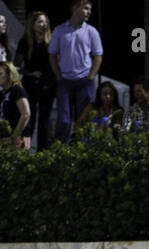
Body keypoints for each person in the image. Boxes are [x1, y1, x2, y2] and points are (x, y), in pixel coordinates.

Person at [50, 0, 103, 144]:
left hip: (84, 81)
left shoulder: (91, 31)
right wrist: (58, 75)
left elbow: (98, 56)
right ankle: (61, 150)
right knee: (64, 120)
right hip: (65, 82)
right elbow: (52, 54)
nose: (89, 12)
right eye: (85, 8)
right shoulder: (59, 30)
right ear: (75, 8)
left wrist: (91, 77)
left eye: (89, 9)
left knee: (84, 120)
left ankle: (83, 151)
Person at [15, 10, 56, 149]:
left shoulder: (51, 42)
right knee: (29, 119)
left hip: (48, 85)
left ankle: (42, 152)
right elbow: (17, 66)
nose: (43, 24)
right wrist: (30, 74)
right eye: (39, 21)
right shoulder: (25, 42)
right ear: (32, 25)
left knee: (45, 120)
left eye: (45, 21)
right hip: (30, 84)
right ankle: (25, 149)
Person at [0, 62, 30, 145]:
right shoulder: (0, 94)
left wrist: (15, 135)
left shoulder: (17, 90)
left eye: (0, 73)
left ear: (9, 75)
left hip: (18, 138)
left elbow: (26, 114)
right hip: (2, 138)